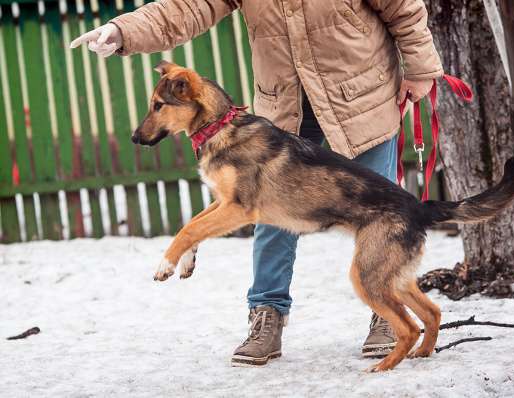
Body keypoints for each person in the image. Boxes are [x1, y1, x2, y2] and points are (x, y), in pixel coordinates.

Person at [71, 0, 443, 366]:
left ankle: (386, 313)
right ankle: (267, 313)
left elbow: (403, 8)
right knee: (269, 219)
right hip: (285, 102)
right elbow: (186, 7)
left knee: (381, 209)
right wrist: (123, 31)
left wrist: (421, 68)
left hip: (361, 97)